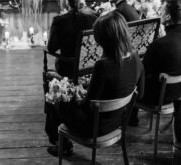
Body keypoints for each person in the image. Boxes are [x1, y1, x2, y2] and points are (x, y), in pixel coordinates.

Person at [46, 11, 145, 156]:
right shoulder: (136, 58)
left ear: (103, 39)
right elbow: (140, 94)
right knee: (64, 93)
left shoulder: (103, 65)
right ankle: (61, 143)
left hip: (94, 127)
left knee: (54, 97)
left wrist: (75, 94)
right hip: (117, 121)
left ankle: (62, 145)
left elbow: (87, 107)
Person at [130, 0, 181, 125]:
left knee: (131, 77)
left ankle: (130, 119)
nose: (159, 11)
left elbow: (142, 75)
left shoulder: (158, 45)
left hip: (157, 98)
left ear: (168, 17)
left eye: (161, 10)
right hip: (179, 93)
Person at [47, 0, 97, 77]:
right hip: (90, 67)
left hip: (67, 68)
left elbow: (51, 48)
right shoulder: (94, 18)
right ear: (83, 1)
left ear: (68, 2)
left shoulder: (59, 21)